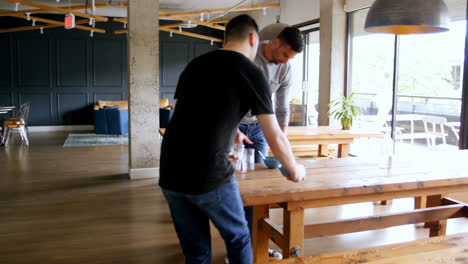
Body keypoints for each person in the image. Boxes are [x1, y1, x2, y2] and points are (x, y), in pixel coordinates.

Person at [159, 14, 306, 264]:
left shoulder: (195, 65)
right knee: (238, 239)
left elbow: (180, 114)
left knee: (196, 252)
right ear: (253, 38)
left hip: (170, 172)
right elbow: (274, 135)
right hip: (208, 173)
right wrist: (294, 168)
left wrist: (227, 134)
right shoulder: (249, 70)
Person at [235, 26, 304, 261]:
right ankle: (238, 247)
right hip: (233, 125)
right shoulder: (249, 56)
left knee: (258, 188)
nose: (285, 61)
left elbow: (282, 107)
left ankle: (255, 246)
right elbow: (229, 95)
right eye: (285, 55)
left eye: (290, 59)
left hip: (261, 127)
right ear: (275, 43)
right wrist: (231, 129)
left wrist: (280, 139)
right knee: (233, 184)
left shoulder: (285, 68)